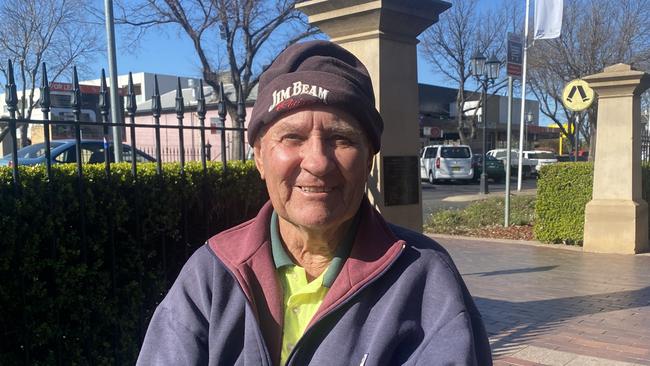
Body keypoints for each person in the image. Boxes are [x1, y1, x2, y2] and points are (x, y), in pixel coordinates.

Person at [137, 40, 492, 366]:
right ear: (260, 156)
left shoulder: (425, 278)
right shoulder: (212, 274)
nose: (318, 162)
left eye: (341, 138)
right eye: (292, 137)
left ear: (369, 157)